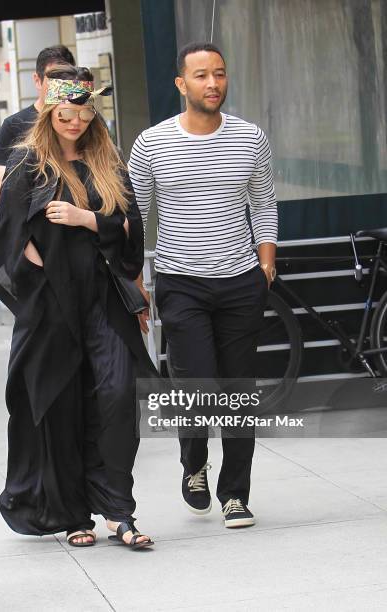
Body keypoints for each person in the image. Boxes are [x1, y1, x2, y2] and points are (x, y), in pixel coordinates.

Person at [0, 64, 156, 549]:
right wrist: (43, 273)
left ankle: (119, 512)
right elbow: (10, 237)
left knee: (117, 397)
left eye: (83, 113)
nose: (76, 122)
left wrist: (88, 220)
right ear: (50, 112)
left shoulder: (108, 163)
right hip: (52, 306)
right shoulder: (29, 165)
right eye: (67, 113)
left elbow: (130, 231)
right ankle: (75, 514)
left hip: (104, 301)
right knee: (61, 408)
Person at [129, 42, 278, 528]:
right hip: (181, 283)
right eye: (200, 75)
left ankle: (235, 493)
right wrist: (137, 280)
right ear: (181, 83)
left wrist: (266, 260)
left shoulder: (250, 138)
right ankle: (194, 463)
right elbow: (137, 215)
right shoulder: (151, 144)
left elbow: (264, 201)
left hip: (240, 282)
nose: (212, 83)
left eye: (219, 74)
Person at [0, 45, 76, 199]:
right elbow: (0, 190)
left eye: (66, 81)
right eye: (54, 81)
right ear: (37, 80)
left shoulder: (86, 121)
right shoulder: (14, 125)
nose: (60, 88)